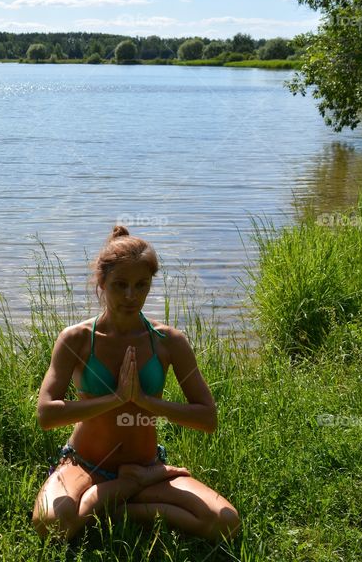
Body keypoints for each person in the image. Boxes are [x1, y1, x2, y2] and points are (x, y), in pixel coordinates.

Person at [31, 225, 240, 543]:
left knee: (226, 522)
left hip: (146, 465)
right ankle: (124, 490)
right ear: (101, 283)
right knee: (51, 524)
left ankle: (115, 506)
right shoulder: (76, 340)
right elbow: (46, 414)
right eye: (120, 285)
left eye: (141, 285)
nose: (131, 296)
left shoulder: (169, 341)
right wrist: (115, 398)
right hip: (85, 465)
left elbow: (207, 418)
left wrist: (145, 401)